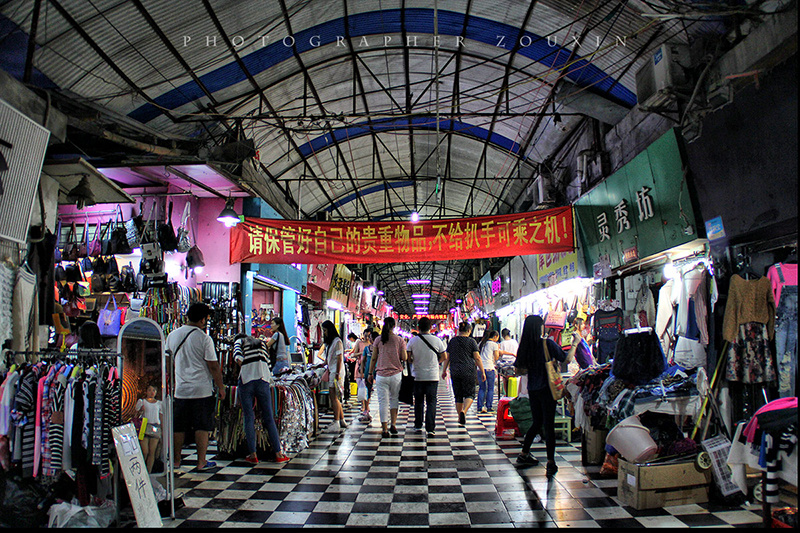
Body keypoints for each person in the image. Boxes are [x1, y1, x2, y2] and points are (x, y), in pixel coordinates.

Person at [513, 315, 578, 477]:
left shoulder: (525, 347)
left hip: (533, 390)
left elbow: (520, 370)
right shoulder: (547, 343)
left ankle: (524, 453)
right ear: (538, 327)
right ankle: (550, 462)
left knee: (537, 422)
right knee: (548, 425)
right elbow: (567, 359)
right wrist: (575, 343)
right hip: (548, 389)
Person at [166, 302, 225, 471]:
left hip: (180, 390)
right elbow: (213, 366)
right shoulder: (204, 338)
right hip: (202, 390)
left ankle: (176, 461)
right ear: (202, 319)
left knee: (179, 426)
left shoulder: (173, 335)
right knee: (202, 426)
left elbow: (167, 362)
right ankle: (201, 462)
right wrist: (221, 387)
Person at [234, 334, 290, 464]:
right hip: (263, 379)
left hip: (246, 380)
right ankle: (278, 453)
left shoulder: (239, 341)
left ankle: (253, 455)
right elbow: (268, 363)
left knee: (249, 417)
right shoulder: (261, 343)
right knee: (269, 417)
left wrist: (246, 368)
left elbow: (238, 357)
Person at [406, 317, 447, 436]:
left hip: (417, 376)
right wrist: (436, 362)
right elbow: (444, 356)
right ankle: (430, 428)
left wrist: (415, 361)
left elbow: (408, 358)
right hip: (432, 376)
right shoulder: (437, 340)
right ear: (430, 327)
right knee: (431, 402)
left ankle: (418, 425)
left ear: (418, 327)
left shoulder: (412, 341)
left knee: (418, 401)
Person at [367, 317, 407, 438]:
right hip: (396, 375)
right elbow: (404, 357)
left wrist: (370, 373)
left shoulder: (378, 339)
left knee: (383, 402)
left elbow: (373, 358)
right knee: (394, 399)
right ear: (394, 326)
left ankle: (384, 429)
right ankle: (393, 425)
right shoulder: (400, 340)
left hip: (381, 375)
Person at [442, 322, 485, 426]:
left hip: (455, 370)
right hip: (468, 370)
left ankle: (459, 416)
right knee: (470, 393)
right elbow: (477, 357)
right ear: (469, 330)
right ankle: (464, 412)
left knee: (458, 395)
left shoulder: (452, 341)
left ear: (458, 330)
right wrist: (482, 371)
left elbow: (447, 357)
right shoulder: (472, 341)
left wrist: (444, 371)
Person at [318, 320, 347, 430]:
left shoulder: (337, 342)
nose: (324, 333)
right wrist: (321, 365)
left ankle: (336, 421)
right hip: (333, 371)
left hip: (336, 373)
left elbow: (340, 359)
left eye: (325, 330)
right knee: (336, 397)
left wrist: (337, 374)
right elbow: (329, 359)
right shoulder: (331, 343)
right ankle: (341, 420)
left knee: (334, 397)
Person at [135, 383, 163, 473]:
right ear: (146, 391)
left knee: (152, 452)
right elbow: (136, 414)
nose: (152, 392)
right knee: (145, 451)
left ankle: (149, 471)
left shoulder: (159, 403)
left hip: (155, 426)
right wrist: (140, 410)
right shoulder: (142, 402)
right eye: (150, 390)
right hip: (145, 426)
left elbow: (161, 416)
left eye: (153, 390)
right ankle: (142, 470)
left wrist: (162, 429)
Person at [356, 330, 378, 423]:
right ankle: (366, 410)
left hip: (378, 372)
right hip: (367, 372)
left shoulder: (380, 349)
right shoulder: (367, 349)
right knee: (367, 390)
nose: (370, 339)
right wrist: (361, 372)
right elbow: (363, 361)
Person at [477, 329, 501, 413]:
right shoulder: (494, 344)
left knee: (482, 388)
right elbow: (497, 357)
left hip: (480, 368)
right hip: (489, 368)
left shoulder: (481, 344)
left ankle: (480, 407)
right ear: (495, 337)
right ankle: (489, 406)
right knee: (490, 388)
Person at [498, 328, 519, 396]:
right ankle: (514, 393)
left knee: (505, 379)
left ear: (502, 335)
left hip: (505, 363)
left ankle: (507, 394)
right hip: (514, 362)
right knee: (514, 378)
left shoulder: (502, 343)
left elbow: (500, 353)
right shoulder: (515, 342)